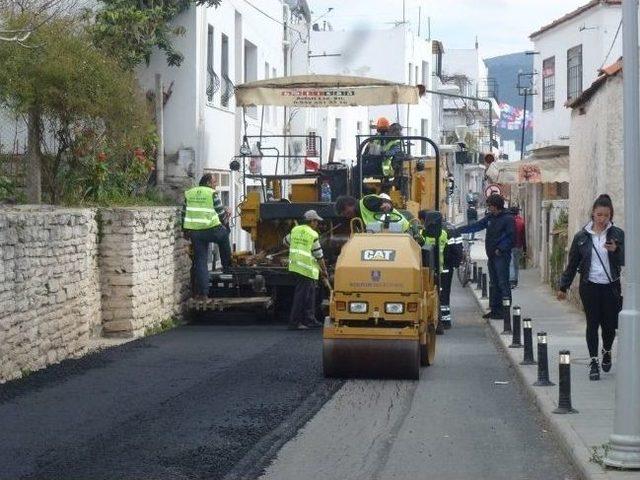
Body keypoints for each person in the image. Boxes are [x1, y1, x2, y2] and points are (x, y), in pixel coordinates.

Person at [557, 194, 624, 381]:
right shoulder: (581, 237)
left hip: (611, 286)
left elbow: (626, 259)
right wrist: (563, 286)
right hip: (589, 286)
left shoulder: (617, 234)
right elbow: (572, 264)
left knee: (610, 326)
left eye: (606, 215)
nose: (602, 219)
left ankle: (607, 350)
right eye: (599, 215)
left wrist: (616, 250)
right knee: (592, 324)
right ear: (593, 214)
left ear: (611, 215)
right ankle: (594, 361)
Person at [457, 194, 515, 319]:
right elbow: (477, 226)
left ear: (496, 206)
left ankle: (505, 313)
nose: (488, 208)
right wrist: (459, 230)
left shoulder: (508, 219)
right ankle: (495, 310)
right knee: (493, 283)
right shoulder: (490, 218)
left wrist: (501, 249)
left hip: (501, 256)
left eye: (490, 206)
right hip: (491, 256)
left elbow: (511, 237)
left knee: (503, 283)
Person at [183, 173, 232, 301]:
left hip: (196, 232)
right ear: (209, 183)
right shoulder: (212, 193)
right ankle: (227, 268)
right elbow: (220, 212)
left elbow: (184, 213)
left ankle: (203, 294)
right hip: (213, 230)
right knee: (225, 235)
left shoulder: (189, 193)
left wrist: (185, 230)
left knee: (200, 261)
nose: (216, 185)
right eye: (214, 182)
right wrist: (226, 223)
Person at [283, 210, 329, 330]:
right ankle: (294, 323)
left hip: (295, 266)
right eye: (316, 222)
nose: (317, 224)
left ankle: (310, 320)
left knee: (309, 294)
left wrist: (296, 247)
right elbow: (319, 255)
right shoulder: (313, 234)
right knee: (302, 296)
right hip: (306, 268)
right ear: (312, 221)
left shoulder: (295, 229)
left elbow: (285, 241)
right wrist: (324, 270)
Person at [335, 194, 410, 232]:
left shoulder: (366, 202)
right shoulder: (358, 219)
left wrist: (387, 204)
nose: (347, 216)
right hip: (387, 235)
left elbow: (383, 201)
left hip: (402, 230)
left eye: (346, 213)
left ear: (349, 204)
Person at [510, 206, 526, 288]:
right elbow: (523, 236)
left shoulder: (509, 221)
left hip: (510, 246)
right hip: (519, 246)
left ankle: (511, 280)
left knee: (511, 263)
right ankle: (515, 280)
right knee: (516, 264)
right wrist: (525, 248)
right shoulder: (521, 222)